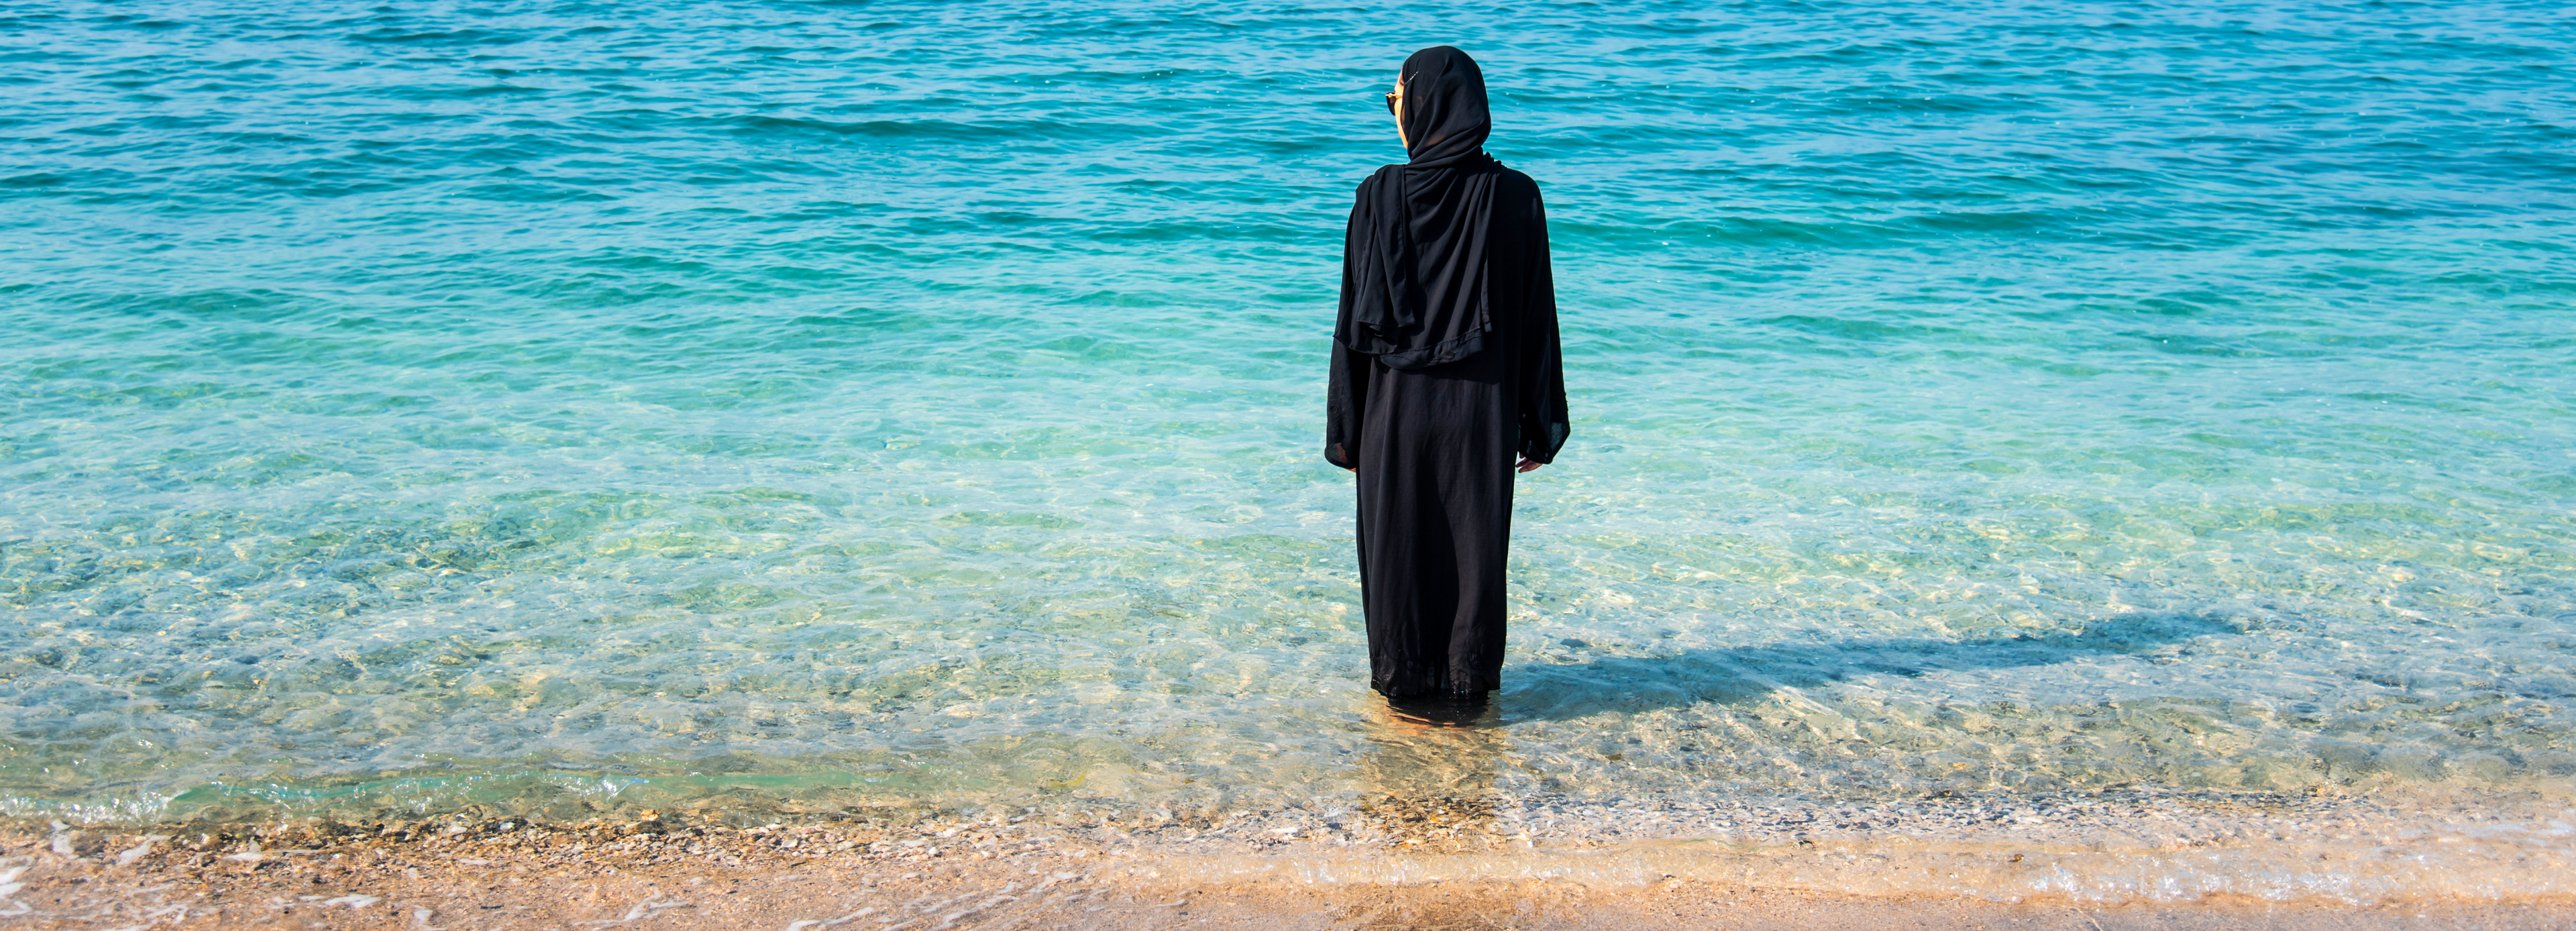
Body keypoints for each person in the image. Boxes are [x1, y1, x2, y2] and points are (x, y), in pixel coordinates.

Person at [1326, 45, 1570, 705]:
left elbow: (1352, 325)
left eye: (1395, 103)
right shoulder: (1517, 196)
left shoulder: (1377, 194)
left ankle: (1406, 702)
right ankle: (1468, 698)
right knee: (1473, 555)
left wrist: (1347, 431)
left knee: (1397, 553)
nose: (1394, 116)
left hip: (1392, 414)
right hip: (1480, 414)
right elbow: (1535, 317)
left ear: (1425, 106)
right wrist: (1540, 421)